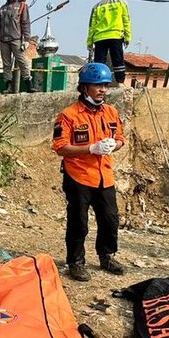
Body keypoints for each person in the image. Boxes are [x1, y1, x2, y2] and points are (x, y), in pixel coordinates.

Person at [52, 62, 126, 281]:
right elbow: (60, 147)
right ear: (85, 87)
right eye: (97, 85)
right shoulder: (68, 115)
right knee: (79, 222)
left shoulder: (111, 112)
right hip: (79, 176)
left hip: (105, 176)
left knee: (110, 219)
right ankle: (75, 261)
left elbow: (121, 138)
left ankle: (106, 255)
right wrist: (90, 148)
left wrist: (115, 145)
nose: (103, 89)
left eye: (105, 85)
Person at [87, 0, 131, 86]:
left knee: (99, 63)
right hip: (115, 36)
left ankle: (98, 84)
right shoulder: (122, 3)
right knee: (118, 60)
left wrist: (89, 42)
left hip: (100, 37)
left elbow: (91, 26)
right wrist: (128, 37)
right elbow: (126, 20)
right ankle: (120, 82)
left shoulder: (97, 6)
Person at [0, 0, 31, 93]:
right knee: (6, 65)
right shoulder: (2, 9)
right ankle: (8, 86)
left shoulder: (22, 6)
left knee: (22, 62)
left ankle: (29, 85)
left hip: (16, 39)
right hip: (4, 40)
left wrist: (27, 39)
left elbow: (25, 23)